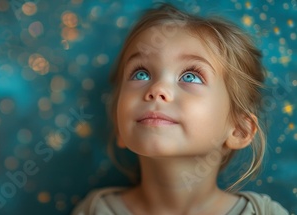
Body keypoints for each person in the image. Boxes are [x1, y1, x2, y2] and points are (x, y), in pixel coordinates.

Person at [72, 3, 289, 215]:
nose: (157, 89)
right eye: (141, 74)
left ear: (239, 129)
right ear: (118, 126)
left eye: (190, 76)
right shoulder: (93, 210)